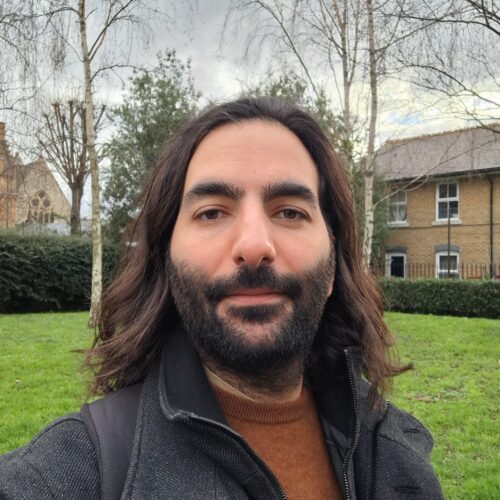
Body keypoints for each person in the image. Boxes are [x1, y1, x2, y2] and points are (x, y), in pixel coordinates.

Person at [0, 97, 443, 499]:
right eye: (211, 212)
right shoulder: (70, 472)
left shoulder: (398, 457)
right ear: (166, 261)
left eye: (290, 211)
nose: (253, 245)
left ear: (332, 267)